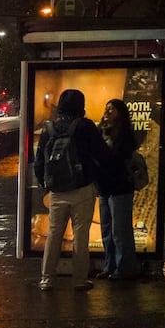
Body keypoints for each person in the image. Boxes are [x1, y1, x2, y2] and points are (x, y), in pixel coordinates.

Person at [32, 89, 112, 291]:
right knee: (81, 236)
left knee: (53, 234)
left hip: (57, 192)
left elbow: (39, 161)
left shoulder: (49, 128)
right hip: (82, 189)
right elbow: (102, 154)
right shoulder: (85, 126)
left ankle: (47, 279)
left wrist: (45, 184)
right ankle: (79, 280)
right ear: (81, 106)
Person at [95, 99, 140, 280]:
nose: (107, 112)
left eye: (112, 109)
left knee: (120, 230)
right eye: (106, 108)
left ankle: (125, 267)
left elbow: (116, 157)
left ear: (120, 112)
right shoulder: (101, 130)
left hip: (120, 186)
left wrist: (107, 140)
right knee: (106, 230)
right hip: (105, 187)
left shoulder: (125, 135)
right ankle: (109, 265)